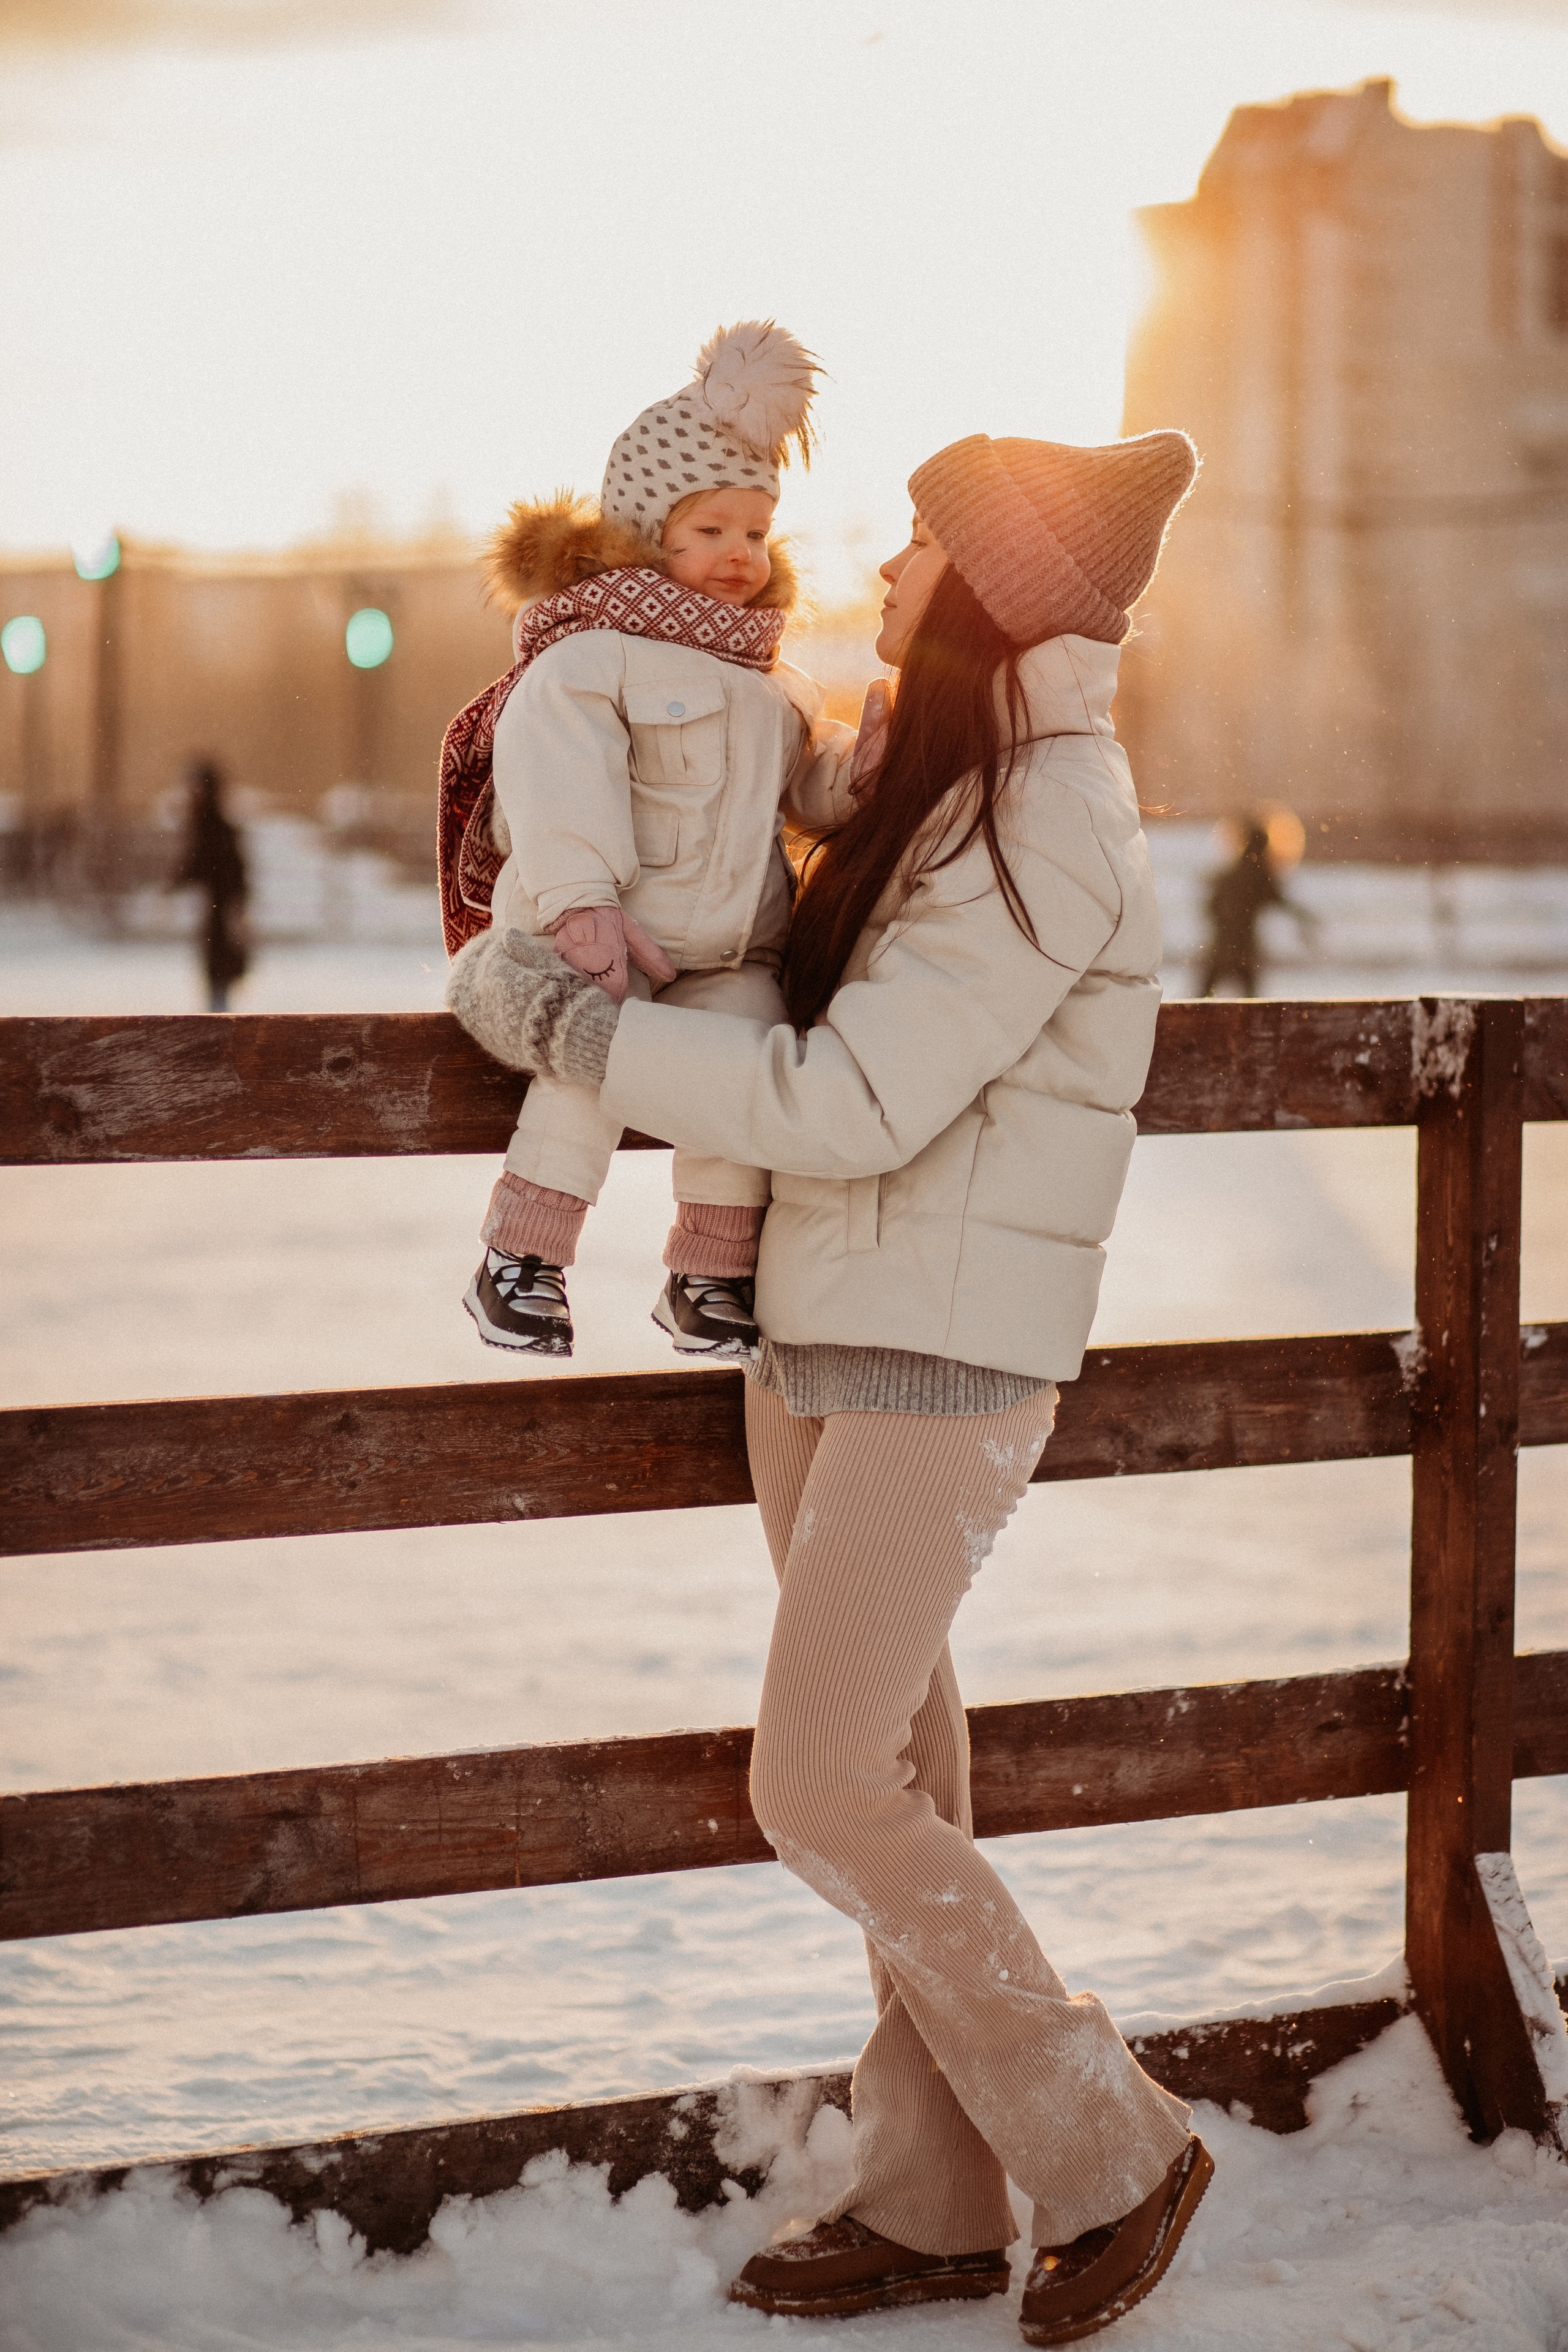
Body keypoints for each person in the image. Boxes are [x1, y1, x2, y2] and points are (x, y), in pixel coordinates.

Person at [447, 428, 1211, 2346]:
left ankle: (1113, 2140)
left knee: (815, 1779)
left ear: (991, 594)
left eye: (918, 551)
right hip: (823, 1318)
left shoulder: (1047, 809)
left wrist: (569, 1028)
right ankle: (936, 2203)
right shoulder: (939, 783)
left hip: (946, 1348)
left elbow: (856, 1092)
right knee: (895, 1771)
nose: (876, 569)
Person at [438, 322, 856, 1362]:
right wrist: (582, 902)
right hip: (607, 941)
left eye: (757, 534)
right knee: (586, 1071)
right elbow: (555, 768)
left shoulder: (771, 684)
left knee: (743, 1072)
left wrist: (865, 770)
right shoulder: (594, 658)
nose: (741, 557)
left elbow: (805, 789)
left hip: (726, 955)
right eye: (712, 531)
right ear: (647, 531)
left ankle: (709, 1273)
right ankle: (521, 1264)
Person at [1197, 818, 1314, 997]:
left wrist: (1222, 922)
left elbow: (1212, 906)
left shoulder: (1231, 873)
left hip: (1222, 945)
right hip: (1245, 947)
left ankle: (1192, 1023)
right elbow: (1282, 902)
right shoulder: (1261, 876)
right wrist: (1306, 919)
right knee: (1250, 1003)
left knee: (1201, 1001)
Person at [174, 760, 247, 1012]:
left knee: (218, 976)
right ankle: (218, 1019)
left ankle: (219, 1024)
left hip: (220, 912)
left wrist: (235, 914)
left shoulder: (214, 828)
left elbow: (223, 873)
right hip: (215, 911)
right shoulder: (207, 826)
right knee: (217, 978)